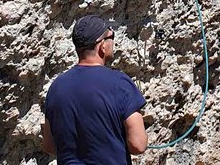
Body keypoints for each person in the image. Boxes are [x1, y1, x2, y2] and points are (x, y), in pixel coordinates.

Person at [42, 14, 148, 164]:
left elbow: (49, 145)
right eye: (111, 36)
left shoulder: (57, 87)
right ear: (102, 45)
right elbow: (138, 145)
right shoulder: (120, 84)